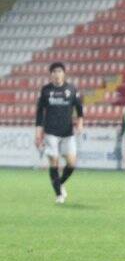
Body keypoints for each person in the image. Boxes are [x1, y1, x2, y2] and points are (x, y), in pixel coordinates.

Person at [35, 62, 84, 204]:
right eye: (54, 72)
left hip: (67, 132)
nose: (57, 74)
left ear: (64, 73)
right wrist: (38, 132)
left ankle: (59, 183)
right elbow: (39, 114)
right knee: (54, 162)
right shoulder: (45, 90)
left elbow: (80, 110)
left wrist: (80, 123)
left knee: (72, 164)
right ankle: (59, 195)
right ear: (50, 74)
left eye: (59, 71)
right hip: (50, 132)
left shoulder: (71, 89)